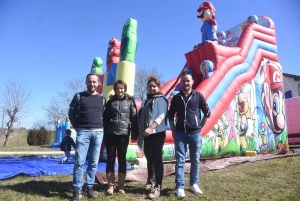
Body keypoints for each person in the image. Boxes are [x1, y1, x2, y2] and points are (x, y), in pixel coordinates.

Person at [168, 71, 211, 199]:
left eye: (188, 80)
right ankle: (179, 187)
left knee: (195, 160)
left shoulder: (198, 96)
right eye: (183, 81)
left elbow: (207, 112)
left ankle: (194, 184)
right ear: (180, 82)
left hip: (195, 133)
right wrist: (174, 129)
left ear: (192, 82)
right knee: (180, 160)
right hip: (180, 133)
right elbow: (170, 115)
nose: (186, 83)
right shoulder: (176, 98)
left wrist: (200, 127)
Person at [68, 73, 106, 201]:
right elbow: (71, 113)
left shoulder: (102, 99)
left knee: (94, 162)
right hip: (83, 132)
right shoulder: (79, 96)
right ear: (86, 82)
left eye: (94, 82)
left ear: (98, 83)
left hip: (98, 132)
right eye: (90, 82)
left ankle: (89, 186)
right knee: (79, 162)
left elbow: (104, 116)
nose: (92, 84)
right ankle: (77, 189)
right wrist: (77, 127)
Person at [103, 79, 138, 195]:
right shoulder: (110, 102)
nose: (120, 90)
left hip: (123, 135)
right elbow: (105, 118)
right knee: (110, 160)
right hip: (110, 134)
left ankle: (121, 185)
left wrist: (134, 134)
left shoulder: (130, 101)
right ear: (115, 89)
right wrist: (104, 132)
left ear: (125, 89)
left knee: (122, 160)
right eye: (117, 88)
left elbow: (134, 118)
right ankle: (110, 185)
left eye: (122, 88)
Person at [138, 76, 168, 199]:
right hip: (145, 134)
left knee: (157, 160)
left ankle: (158, 185)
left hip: (156, 133)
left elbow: (161, 116)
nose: (152, 88)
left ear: (158, 87)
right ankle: (150, 180)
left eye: (154, 86)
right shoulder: (145, 101)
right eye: (150, 86)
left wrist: (151, 128)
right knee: (149, 158)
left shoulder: (161, 100)